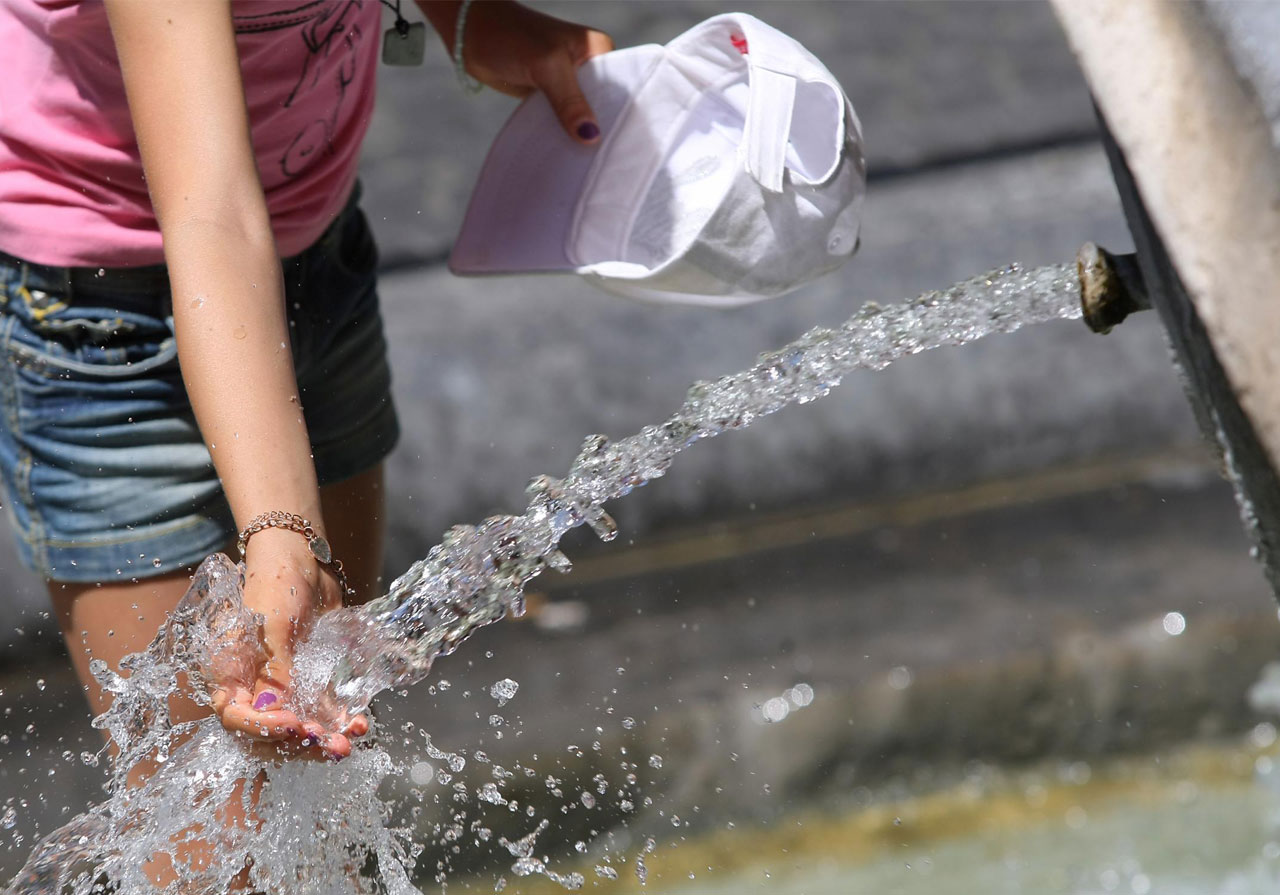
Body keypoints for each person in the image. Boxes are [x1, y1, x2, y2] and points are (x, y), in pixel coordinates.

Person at [0, 0, 612, 762]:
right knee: (208, 851)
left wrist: (460, 16)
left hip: (318, 260)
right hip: (106, 322)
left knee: (325, 764)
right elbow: (211, 214)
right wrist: (284, 530)